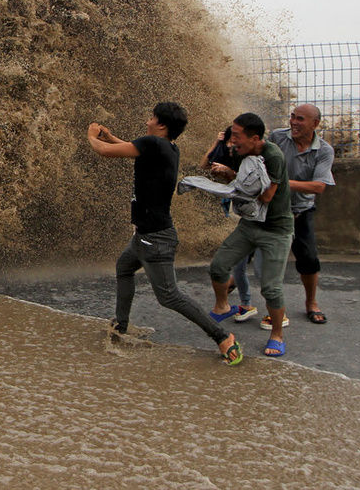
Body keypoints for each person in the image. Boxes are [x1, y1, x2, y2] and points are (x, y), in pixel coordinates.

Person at [87, 102, 243, 365]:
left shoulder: (152, 144)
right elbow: (130, 148)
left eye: (151, 117)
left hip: (155, 239)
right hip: (145, 236)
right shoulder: (167, 147)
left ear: (161, 124)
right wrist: (111, 137)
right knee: (124, 268)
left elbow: (103, 151)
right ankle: (121, 325)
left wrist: (92, 135)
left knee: (169, 296)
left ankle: (222, 336)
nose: (147, 121)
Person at [207, 113, 294, 357]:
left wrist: (233, 180)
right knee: (218, 267)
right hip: (250, 223)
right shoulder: (240, 152)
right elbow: (225, 173)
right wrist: (226, 174)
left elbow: (266, 196)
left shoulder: (273, 156)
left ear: (255, 138)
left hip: (276, 229)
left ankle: (277, 335)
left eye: (237, 136)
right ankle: (223, 306)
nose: (232, 140)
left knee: (271, 288)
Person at [270, 104, 336, 324]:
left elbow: (318, 186)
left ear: (315, 124)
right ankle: (231, 287)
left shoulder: (324, 150)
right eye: (292, 117)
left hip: (301, 211)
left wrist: (281, 183)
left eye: (300, 119)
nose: (293, 122)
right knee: (247, 251)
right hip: (272, 209)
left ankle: (311, 303)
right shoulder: (277, 138)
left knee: (308, 258)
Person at [197, 127, 258, 322]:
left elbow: (250, 185)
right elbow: (204, 165)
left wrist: (231, 173)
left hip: (261, 218)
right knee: (239, 264)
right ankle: (246, 304)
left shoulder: (251, 159)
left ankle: (278, 315)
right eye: (229, 141)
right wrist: (217, 143)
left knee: (264, 270)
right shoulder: (227, 154)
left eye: (234, 141)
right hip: (243, 218)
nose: (232, 145)